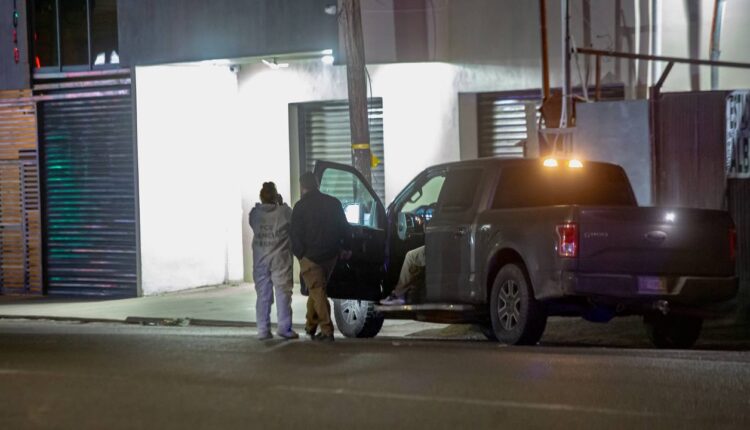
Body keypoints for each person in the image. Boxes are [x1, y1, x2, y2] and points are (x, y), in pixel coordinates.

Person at [290, 172, 351, 342]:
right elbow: (344, 228)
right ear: (317, 183)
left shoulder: (300, 206)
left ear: (302, 186)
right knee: (316, 291)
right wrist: (346, 247)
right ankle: (310, 326)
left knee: (317, 291)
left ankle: (327, 330)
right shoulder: (333, 203)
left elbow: (294, 234)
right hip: (331, 256)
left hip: (310, 257)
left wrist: (301, 254)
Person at [249, 182, 297, 340]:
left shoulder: (255, 214)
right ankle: (284, 328)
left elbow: (252, 223)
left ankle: (263, 330)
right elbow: (292, 220)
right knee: (283, 293)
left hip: (261, 259)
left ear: (261, 197)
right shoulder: (284, 212)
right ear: (276, 195)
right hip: (280, 259)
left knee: (263, 295)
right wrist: (281, 203)